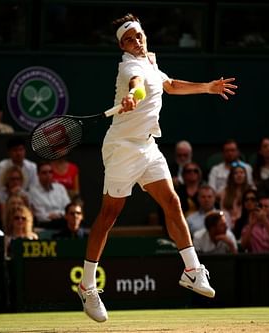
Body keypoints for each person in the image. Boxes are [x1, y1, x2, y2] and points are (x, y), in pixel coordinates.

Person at [76, 13, 237, 323]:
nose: (136, 42)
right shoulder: (130, 65)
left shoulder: (149, 61)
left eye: (138, 35)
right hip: (123, 148)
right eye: (128, 39)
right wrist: (132, 97)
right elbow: (136, 86)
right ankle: (86, 285)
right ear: (121, 46)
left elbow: (171, 85)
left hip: (148, 145)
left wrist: (208, 87)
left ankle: (192, 270)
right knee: (109, 214)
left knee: (172, 202)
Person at [29, 161, 70, 228]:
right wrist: (50, 216)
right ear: (38, 174)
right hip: (45, 223)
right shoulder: (33, 192)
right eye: (44, 173)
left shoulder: (60, 188)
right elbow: (39, 215)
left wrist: (59, 214)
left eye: (50, 172)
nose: (48, 175)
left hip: (63, 220)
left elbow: (68, 208)